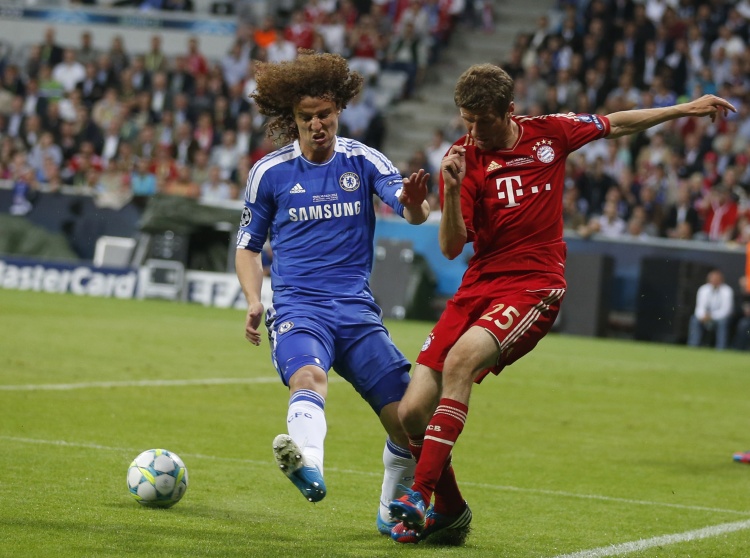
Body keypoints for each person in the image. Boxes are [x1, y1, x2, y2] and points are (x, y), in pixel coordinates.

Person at [387, 63, 736, 545]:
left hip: (534, 285)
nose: (474, 131)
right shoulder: (461, 159)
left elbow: (617, 123)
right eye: (467, 120)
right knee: (410, 413)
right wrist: (449, 189)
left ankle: (419, 495)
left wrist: (685, 109)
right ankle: (450, 510)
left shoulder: (549, 133)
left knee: (461, 362)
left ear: (509, 111)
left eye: (483, 121)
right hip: (478, 287)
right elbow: (450, 247)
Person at [234, 51, 431, 535]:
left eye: (324, 114)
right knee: (308, 377)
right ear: (292, 118)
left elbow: (411, 211)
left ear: (339, 109)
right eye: (306, 117)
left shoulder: (364, 160)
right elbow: (248, 248)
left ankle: (390, 509)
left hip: (356, 313)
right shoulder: (269, 172)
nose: (317, 124)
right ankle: (309, 464)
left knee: (407, 420)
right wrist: (254, 299)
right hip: (300, 309)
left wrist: (414, 203)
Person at [687, 269, 735, 350]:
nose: (714, 281)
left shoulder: (727, 291)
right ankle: (693, 346)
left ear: (721, 280)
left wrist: (711, 316)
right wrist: (702, 316)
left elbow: (726, 310)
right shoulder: (703, 289)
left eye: (717, 279)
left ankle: (721, 348)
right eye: (712, 279)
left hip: (720, 318)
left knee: (723, 322)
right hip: (705, 317)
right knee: (694, 319)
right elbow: (699, 307)